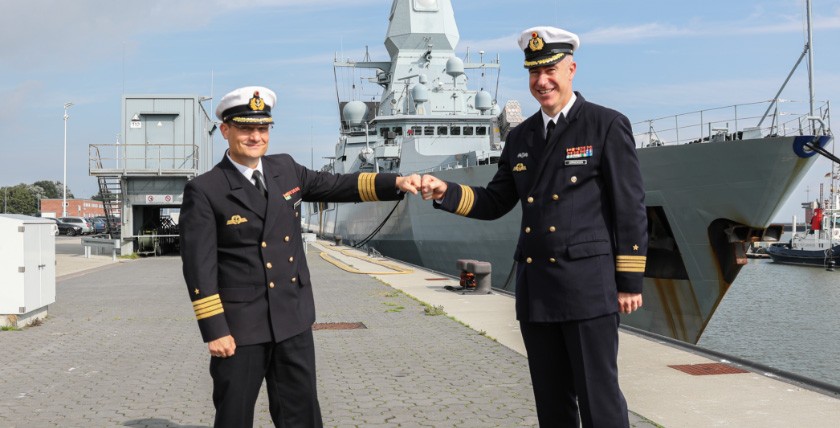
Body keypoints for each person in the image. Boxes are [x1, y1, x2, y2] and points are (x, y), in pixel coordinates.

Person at [420, 27, 647, 427]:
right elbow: (494, 201)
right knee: (552, 403)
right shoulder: (521, 136)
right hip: (537, 289)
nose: (542, 81)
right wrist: (445, 192)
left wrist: (629, 281)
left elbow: (629, 206)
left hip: (588, 288)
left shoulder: (605, 125)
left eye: (551, 70)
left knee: (600, 400)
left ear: (572, 69)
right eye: (534, 72)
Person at [180, 86, 420, 428]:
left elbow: (339, 185)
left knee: (302, 415)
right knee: (234, 416)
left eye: (262, 129)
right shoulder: (206, 190)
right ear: (226, 130)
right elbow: (198, 268)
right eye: (246, 128)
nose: (255, 136)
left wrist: (395, 181)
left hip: (292, 321)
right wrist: (214, 330)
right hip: (240, 329)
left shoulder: (286, 170)